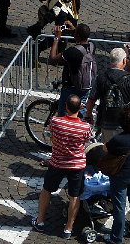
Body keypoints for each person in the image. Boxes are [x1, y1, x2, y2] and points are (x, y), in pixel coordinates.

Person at [31, 94, 92, 239]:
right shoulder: (85, 127)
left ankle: (40, 221)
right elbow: (87, 140)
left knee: (47, 190)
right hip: (76, 165)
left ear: (66, 107)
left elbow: (52, 137)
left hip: (57, 163)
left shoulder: (55, 121)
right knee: (74, 196)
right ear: (80, 108)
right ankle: (68, 228)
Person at [103, 106, 130, 244]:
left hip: (121, 177)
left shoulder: (118, 139)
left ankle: (116, 237)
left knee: (119, 206)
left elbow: (105, 149)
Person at [85, 48, 130, 142]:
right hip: (126, 122)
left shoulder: (100, 78)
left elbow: (91, 100)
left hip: (105, 120)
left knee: (107, 147)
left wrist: (89, 115)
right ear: (124, 61)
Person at [49, 23, 95, 117]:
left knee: (64, 113)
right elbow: (83, 37)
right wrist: (74, 30)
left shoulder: (72, 51)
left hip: (70, 87)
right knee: (81, 111)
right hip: (86, 87)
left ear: (77, 35)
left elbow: (52, 59)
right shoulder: (92, 46)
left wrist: (57, 38)